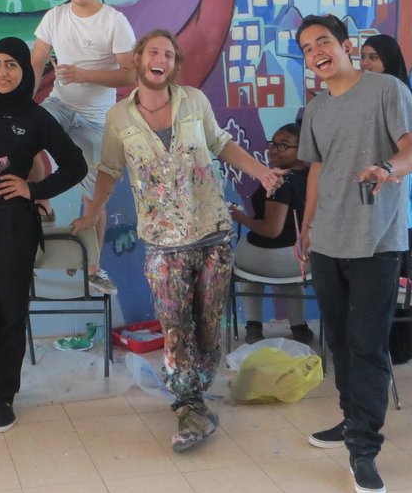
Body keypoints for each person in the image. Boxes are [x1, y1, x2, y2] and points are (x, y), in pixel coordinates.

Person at [73, 29, 283, 452]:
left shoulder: (194, 101)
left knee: (208, 323)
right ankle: (189, 403)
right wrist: (93, 213)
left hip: (212, 230)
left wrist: (261, 171)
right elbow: (110, 169)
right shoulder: (119, 118)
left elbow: (220, 143)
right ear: (138, 59)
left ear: (174, 65)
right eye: (154, 52)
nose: (161, 59)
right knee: (175, 325)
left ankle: (198, 394)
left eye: (169, 55)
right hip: (162, 239)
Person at [295, 14, 412, 493]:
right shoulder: (316, 109)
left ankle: (364, 450)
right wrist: (306, 227)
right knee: (341, 340)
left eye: (323, 42)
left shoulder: (387, 89)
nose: (316, 53)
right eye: (307, 48)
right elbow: (317, 171)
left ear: (345, 45)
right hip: (327, 239)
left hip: (376, 238)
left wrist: (387, 168)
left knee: (368, 344)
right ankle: (352, 420)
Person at [0, 37, 87, 432]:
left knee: (11, 312)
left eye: (11, 64)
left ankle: (4, 394)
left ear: (25, 70)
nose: (2, 72)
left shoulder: (36, 117)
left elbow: (75, 165)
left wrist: (34, 190)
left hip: (14, 224)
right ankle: (5, 368)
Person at [32, 0, 136, 293]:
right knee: (24, 134)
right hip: (60, 105)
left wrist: (84, 75)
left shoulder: (114, 21)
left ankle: (93, 266)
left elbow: (129, 74)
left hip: (96, 119)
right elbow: (36, 62)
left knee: (94, 199)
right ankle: (42, 204)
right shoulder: (54, 17)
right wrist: (22, 105)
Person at [361, 33, 412, 364]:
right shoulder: (364, 94)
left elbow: (410, 153)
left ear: (390, 61)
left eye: (374, 57)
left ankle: (398, 347)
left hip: (394, 194)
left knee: (395, 272)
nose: (366, 64)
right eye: (363, 57)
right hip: (373, 196)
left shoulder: (397, 93)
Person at [230, 122, 312, 345]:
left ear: (303, 148)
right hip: (302, 262)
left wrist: (240, 217)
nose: (274, 150)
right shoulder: (313, 176)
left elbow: (271, 230)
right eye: (273, 144)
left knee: (248, 271)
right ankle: (299, 327)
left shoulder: (280, 181)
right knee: (293, 280)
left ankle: (253, 326)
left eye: (283, 146)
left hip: (269, 261)